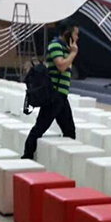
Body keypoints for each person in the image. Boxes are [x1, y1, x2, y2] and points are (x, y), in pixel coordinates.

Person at [23, 19, 79, 159]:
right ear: (67, 33)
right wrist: (73, 53)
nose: (77, 37)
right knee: (40, 127)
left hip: (62, 96)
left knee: (69, 131)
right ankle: (27, 156)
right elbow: (61, 66)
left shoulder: (65, 48)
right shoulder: (55, 45)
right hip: (54, 96)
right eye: (75, 34)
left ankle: (65, 160)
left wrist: (71, 52)